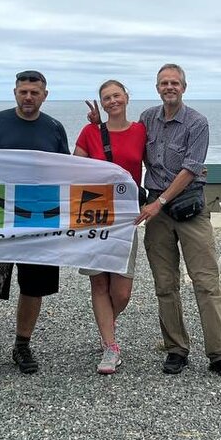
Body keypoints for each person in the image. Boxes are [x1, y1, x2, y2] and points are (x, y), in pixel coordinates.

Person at [0, 70, 69, 388]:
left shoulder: (54, 128)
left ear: (45, 95)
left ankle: (22, 346)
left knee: (33, 288)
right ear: (15, 92)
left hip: (40, 220)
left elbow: (67, 170)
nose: (28, 97)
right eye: (23, 91)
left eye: (34, 92)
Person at [136, 64, 221, 380]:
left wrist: (160, 202)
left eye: (175, 83)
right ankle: (176, 349)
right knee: (165, 284)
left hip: (189, 209)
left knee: (206, 281)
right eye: (164, 83)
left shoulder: (197, 123)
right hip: (157, 212)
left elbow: (190, 169)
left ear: (184, 87)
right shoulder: (146, 119)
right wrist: (100, 126)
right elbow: (129, 148)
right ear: (157, 88)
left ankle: (219, 354)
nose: (170, 87)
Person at [74, 79, 146, 374]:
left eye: (117, 95)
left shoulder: (141, 131)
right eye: (107, 98)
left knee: (123, 290)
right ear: (101, 104)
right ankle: (110, 346)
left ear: (127, 97)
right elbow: (74, 168)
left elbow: (156, 163)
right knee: (99, 283)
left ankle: (107, 327)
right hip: (94, 214)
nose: (112, 101)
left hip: (127, 217)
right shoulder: (90, 132)